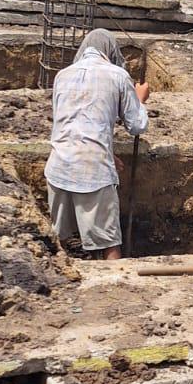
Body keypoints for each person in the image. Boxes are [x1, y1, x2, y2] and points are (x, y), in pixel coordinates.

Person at [44, 28, 149, 260]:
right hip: (94, 174)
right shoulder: (118, 76)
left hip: (58, 167)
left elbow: (69, 125)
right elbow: (137, 125)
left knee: (58, 241)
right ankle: (116, 282)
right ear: (110, 52)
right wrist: (139, 99)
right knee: (109, 242)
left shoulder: (63, 75)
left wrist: (108, 152)